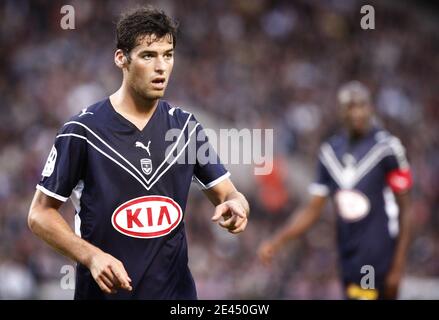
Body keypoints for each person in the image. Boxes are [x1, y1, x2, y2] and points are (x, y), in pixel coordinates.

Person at [28, 7, 249, 300]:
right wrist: (92, 256)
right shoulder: (81, 131)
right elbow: (39, 214)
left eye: (168, 55)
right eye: (148, 55)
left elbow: (230, 195)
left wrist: (237, 208)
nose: (161, 66)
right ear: (122, 58)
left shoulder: (185, 128)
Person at [258, 81, 412, 300]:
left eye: (362, 105)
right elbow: (313, 209)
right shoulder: (329, 153)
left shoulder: (387, 148)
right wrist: (279, 240)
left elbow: (406, 209)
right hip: (348, 250)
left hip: (376, 250)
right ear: (341, 111)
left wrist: (398, 265)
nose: (357, 112)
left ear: (370, 108)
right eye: (351, 106)